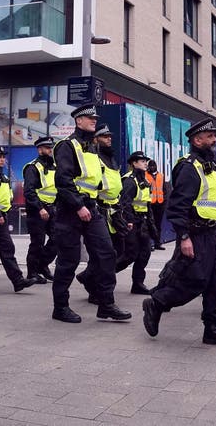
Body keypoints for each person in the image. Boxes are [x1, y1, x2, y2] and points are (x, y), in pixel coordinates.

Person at [142, 118, 216, 347]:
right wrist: (183, 237)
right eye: (210, 136)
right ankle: (157, 302)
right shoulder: (189, 167)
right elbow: (177, 207)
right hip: (195, 234)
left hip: (212, 234)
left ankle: (212, 329)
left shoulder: (211, 166)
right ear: (197, 140)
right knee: (195, 281)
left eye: (214, 136)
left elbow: (214, 200)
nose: (215, 140)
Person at [49, 106, 131, 324]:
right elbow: (63, 181)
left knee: (107, 254)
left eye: (95, 118)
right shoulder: (67, 146)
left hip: (92, 208)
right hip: (70, 210)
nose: (94, 120)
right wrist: (78, 206)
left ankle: (106, 304)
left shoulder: (93, 147)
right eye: (89, 118)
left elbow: (97, 180)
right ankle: (60, 307)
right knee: (69, 260)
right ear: (78, 121)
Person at [77, 124, 128, 303]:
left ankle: (87, 276)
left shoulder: (111, 159)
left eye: (110, 136)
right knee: (102, 254)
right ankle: (97, 291)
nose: (109, 139)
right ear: (96, 139)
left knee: (119, 251)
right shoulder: (94, 158)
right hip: (98, 208)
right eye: (104, 136)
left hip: (114, 210)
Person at [0, 146, 37, 292]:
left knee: (7, 249)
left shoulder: (3, 176)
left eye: (3, 157)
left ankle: (18, 281)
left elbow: (7, 197)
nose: (2, 159)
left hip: (0, 219)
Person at [114, 150, 155, 294]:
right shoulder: (130, 180)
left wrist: (151, 225)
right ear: (134, 163)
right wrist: (129, 221)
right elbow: (125, 203)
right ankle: (101, 276)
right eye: (142, 161)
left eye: (145, 161)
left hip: (142, 221)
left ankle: (138, 284)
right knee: (130, 254)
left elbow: (147, 204)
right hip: (132, 222)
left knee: (145, 253)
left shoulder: (145, 180)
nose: (145, 163)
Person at [22, 136, 57, 283]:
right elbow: (29, 191)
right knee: (37, 242)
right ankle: (32, 273)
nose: (50, 150)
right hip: (37, 210)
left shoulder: (55, 166)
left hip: (53, 209)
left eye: (51, 148)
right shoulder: (33, 167)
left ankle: (42, 265)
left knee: (58, 238)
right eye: (47, 148)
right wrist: (40, 208)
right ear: (40, 149)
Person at [145, 160, 167, 250]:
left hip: (160, 203)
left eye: (153, 166)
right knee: (149, 224)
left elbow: (164, 189)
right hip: (150, 203)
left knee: (158, 224)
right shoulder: (145, 175)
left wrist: (164, 200)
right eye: (150, 166)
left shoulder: (161, 176)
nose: (152, 167)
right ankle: (149, 244)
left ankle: (157, 243)